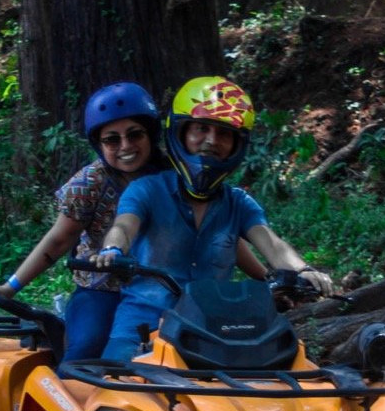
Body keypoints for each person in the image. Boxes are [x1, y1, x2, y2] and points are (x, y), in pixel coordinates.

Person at [0, 81, 267, 362]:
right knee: (86, 351)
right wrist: (10, 287)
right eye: (112, 139)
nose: (125, 146)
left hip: (168, 293)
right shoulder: (89, 183)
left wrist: (267, 279)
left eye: (135, 135)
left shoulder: (180, 174)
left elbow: (219, 231)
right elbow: (59, 239)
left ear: (152, 135)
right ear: (98, 144)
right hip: (103, 289)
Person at [93, 75, 334, 362]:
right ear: (180, 133)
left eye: (224, 133)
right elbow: (124, 226)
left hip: (212, 331)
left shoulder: (239, 203)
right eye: (201, 128)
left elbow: (271, 243)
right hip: (142, 327)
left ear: (237, 144)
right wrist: (113, 249)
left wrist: (304, 270)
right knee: (115, 379)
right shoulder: (146, 189)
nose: (211, 140)